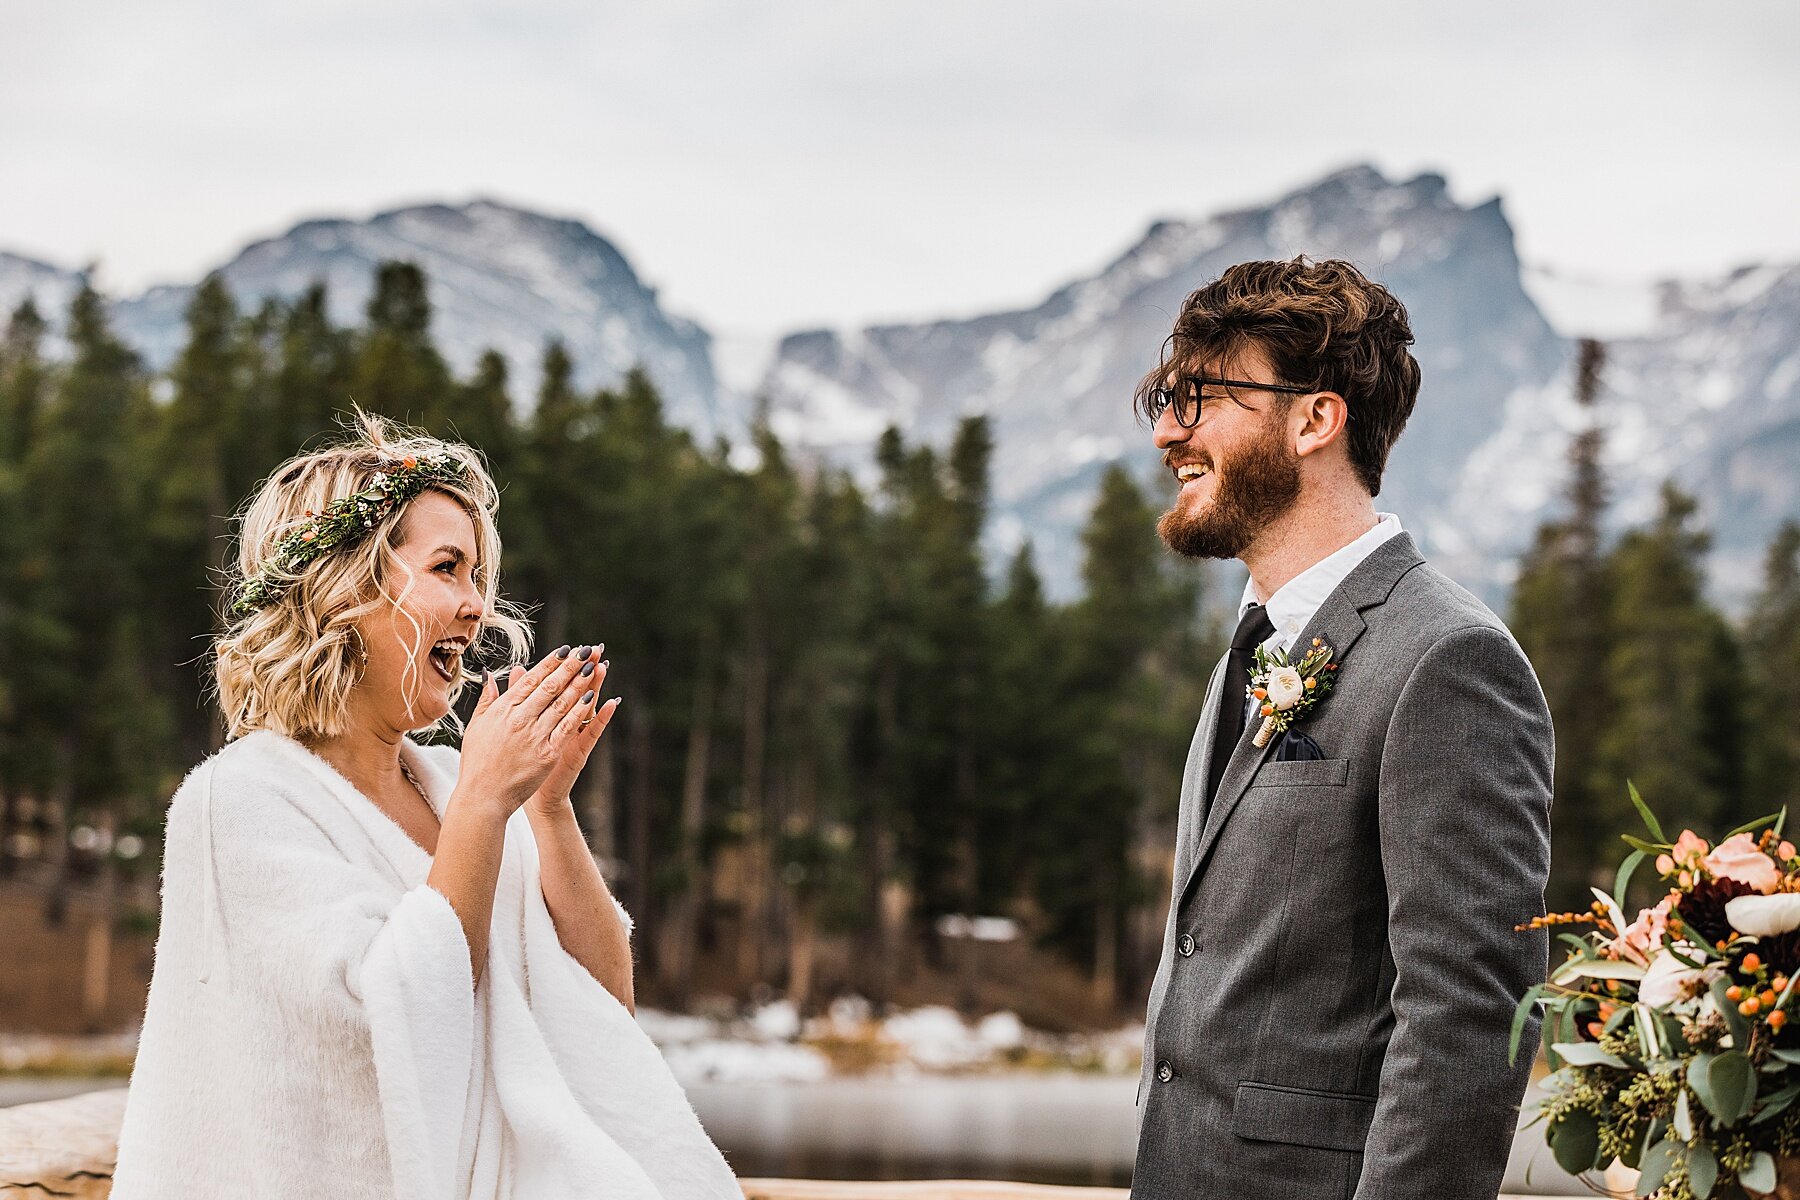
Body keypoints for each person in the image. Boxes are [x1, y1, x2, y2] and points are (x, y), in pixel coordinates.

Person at [111, 412, 740, 1200]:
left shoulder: (451, 782)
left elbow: (602, 1005)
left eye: (478, 576)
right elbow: (391, 1024)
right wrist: (484, 803)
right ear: (343, 584)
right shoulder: (237, 801)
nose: (478, 607)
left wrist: (546, 807)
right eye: (448, 568)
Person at [1130, 258, 1553, 1200]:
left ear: (1316, 419)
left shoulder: (1448, 660)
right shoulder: (1248, 651)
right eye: (1164, 398)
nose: (1167, 430)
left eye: (1200, 397)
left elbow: (1471, 1020)